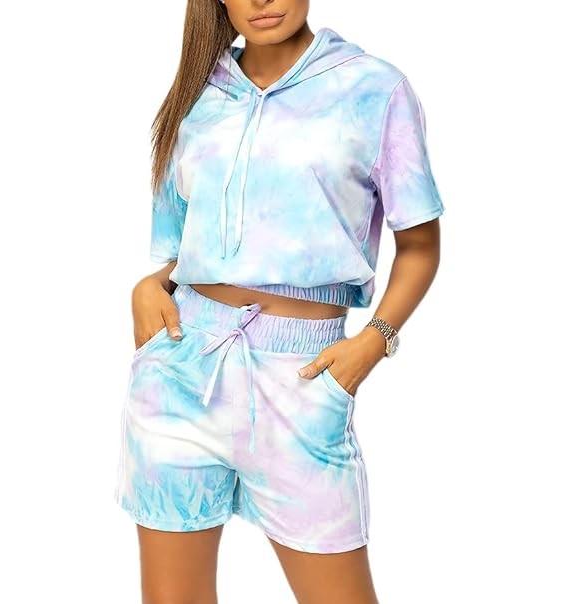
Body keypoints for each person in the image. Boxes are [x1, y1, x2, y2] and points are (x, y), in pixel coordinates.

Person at [115, 1, 444, 602]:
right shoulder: (197, 93)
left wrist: (373, 342)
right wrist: (147, 287)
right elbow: (183, 248)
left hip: (304, 378)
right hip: (182, 371)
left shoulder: (372, 89)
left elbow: (420, 246)